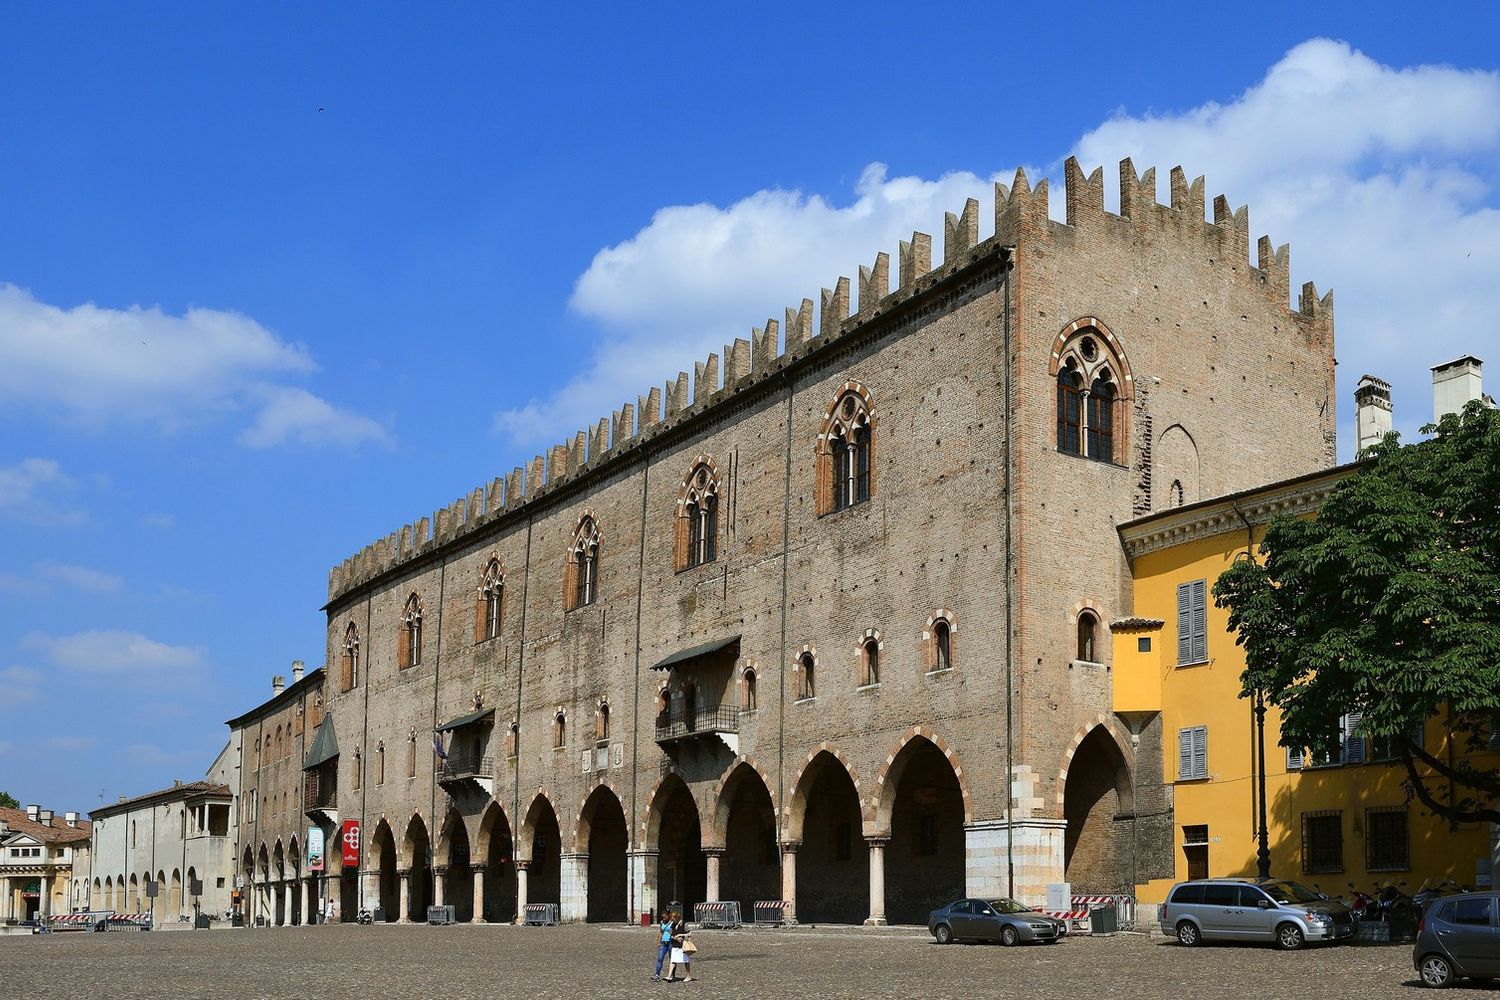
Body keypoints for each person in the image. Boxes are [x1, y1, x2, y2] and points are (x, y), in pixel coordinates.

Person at [666, 912, 694, 983]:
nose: (672, 920)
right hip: (675, 945)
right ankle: (669, 975)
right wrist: (674, 937)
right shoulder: (673, 924)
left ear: (677, 918)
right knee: (673, 960)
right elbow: (671, 934)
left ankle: (688, 976)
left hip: (683, 946)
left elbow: (690, 934)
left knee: (686, 961)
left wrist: (680, 935)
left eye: (673, 919)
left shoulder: (684, 924)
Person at [652, 910, 674, 982]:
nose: (663, 919)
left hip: (671, 942)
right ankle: (657, 974)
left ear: (668, 916)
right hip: (663, 943)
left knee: (672, 960)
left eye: (665, 917)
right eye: (663, 917)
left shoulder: (672, 922)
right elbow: (661, 932)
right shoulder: (662, 922)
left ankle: (671, 975)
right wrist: (658, 941)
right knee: (660, 958)